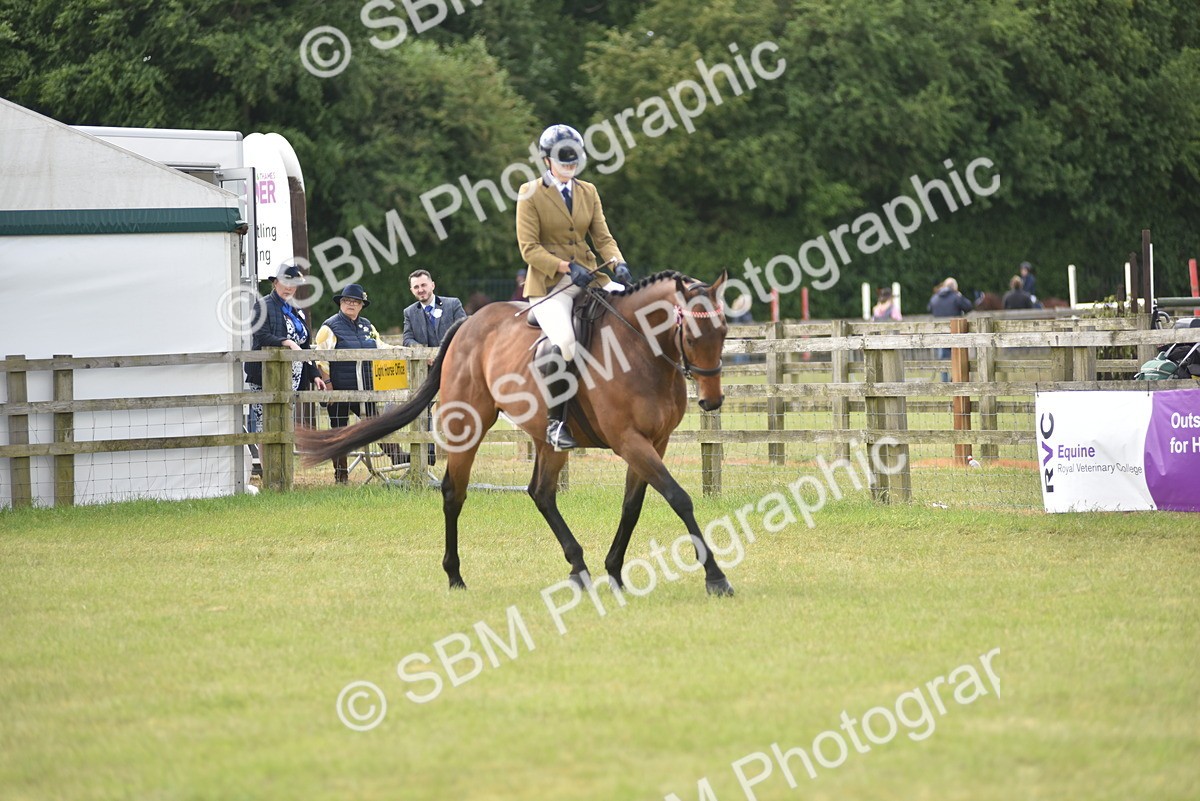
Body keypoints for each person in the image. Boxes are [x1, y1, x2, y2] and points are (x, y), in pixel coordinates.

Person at [515, 123, 633, 451]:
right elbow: (529, 248)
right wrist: (566, 267)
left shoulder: (588, 191)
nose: (569, 168)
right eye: (563, 163)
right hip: (550, 285)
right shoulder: (530, 194)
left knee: (630, 315)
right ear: (546, 161)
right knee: (566, 342)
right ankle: (555, 422)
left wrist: (617, 261)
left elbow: (603, 237)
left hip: (592, 276)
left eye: (573, 163)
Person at [313, 284, 405, 484]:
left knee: (375, 424)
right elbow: (320, 358)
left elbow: (380, 346)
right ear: (341, 303)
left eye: (355, 302)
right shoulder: (328, 327)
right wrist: (328, 385)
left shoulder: (367, 326)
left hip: (365, 388)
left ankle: (398, 457)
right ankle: (341, 476)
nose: (351, 305)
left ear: (362, 305)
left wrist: (401, 351)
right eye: (347, 301)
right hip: (339, 388)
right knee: (339, 432)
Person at [245, 263, 327, 471]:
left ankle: (283, 470)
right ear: (275, 283)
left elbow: (305, 344)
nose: (289, 288)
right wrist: (286, 342)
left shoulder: (296, 310)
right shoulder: (262, 306)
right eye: (285, 282)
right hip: (267, 374)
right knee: (267, 425)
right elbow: (260, 335)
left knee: (285, 424)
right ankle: (268, 471)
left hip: (294, 377)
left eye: (294, 284)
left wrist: (314, 374)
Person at [402, 269, 466, 466]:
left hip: (455, 368)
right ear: (412, 290)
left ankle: (461, 450)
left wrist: (441, 354)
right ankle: (428, 453)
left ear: (432, 285)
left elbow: (464, 331)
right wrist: (422, 352)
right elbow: (407, 338)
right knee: (423, 407)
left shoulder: (452, 304)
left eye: (423, 285)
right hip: (427, 371)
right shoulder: (410, 312)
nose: (421, 290)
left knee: (458, 408)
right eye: (416, 287)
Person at [928, 277, 973, 382]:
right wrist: (960, 295)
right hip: (955, 333)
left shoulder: (934, 298)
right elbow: (968, 307)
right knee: (958, 358)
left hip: (940, 334)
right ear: (954, 287)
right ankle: (957, 380)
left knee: (943, 359)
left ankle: (944, 382)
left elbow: (930, 308)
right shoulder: (956, 297)